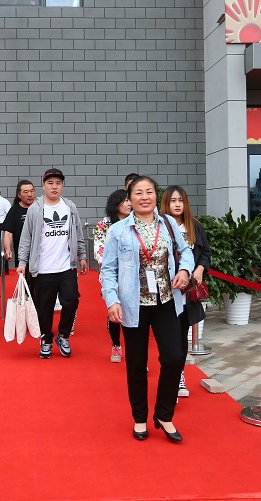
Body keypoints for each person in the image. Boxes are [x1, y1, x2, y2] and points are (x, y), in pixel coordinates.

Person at [100, 176, 194, 443]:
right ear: (129, 199)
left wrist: (185, 270)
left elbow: (186, 251)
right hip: (134, 305)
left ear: (156, 195)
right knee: (137, 365)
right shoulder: (118, 231)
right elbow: (108, 270)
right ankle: (140, 417)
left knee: (174, 357)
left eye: (149, 192)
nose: (144, 197)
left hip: (166, 300)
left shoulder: (168, 224)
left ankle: (164, 414)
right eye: (138, 193)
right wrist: (112, 301)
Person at [16, 168, 88, 359]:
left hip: (67, 266)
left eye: (58, 183)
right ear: (43, 186)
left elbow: (78, 234)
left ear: (62, 185)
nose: (54, 187)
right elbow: (26, 238)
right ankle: (46, 339)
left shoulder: (70, 207)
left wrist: (82, 256)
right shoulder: (35, 209)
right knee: (44, 308)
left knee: (71, 300)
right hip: (43, 269)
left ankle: (63, 336)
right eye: (50, 183)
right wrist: (22, 262)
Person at [160, 185, 212, 398]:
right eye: (173, 201)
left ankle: (178, 375)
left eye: (180, 200)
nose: (177, 204)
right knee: (168, 339)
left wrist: (199, 269)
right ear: (166, 203)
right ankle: (170, 375)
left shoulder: (194, 226)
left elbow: (206, 253)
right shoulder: (159, 226)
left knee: (181, 336)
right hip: (164, 292)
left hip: (187, 293)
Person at [94, 189, 131, 363]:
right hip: (112, 274)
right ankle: (116, 344)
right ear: (116, 204)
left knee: (134, 313)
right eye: (125, 200)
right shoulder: (104, 225)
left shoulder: (136, 221)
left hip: (134, 274)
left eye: (130, 200)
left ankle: (135, 352)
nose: (129, 203)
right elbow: (99, 251)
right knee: (115, 311)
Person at [2, 180, 35, 284]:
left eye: (32, 191)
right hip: (23, 255)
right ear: (19, 195)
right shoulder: (14, 211)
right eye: (26, 192)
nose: (29, 194)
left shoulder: (41, 207)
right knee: (27, 285)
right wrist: (8, 249)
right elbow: (8, 232)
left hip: (43, 255)